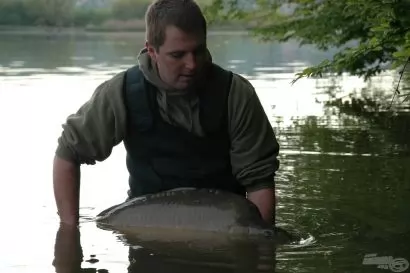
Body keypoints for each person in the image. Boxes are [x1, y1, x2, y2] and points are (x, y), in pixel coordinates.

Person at [53, 0, 280, 227]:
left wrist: (260, 247)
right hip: (149, 227)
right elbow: (68, 153)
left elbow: (259, 182)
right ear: (152, 51)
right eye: (178, 55)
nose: (192, 64)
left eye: (198, 51)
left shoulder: (236, 94)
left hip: (222, 226)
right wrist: (69, 229)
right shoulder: (121, 93)